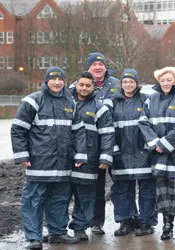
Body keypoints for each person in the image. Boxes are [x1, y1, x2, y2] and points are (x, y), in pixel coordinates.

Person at [11, 67, 87, 249]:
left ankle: (58, 232)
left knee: (60, 199)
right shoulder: (33, 101)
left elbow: (78, 132)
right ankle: (34, 238)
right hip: (39, 162)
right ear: (46, 81)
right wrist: (22, 155)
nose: (57, 82)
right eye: (53, 79)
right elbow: (18, 130)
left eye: (60, 79)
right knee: (33, 200)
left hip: (63, 163)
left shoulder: (70, 102)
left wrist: (80, 154)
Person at [138, 66, 175, 241]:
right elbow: (143, 122)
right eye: (162, 80)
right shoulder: (151, 99)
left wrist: (165, 143)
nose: (165, 83)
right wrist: (155, 143)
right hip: (159, 154)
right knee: (163, 191)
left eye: (169, 79)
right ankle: (166, 225)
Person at [70, 52, 120, 235]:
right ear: (88, 68)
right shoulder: (73, 87)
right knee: (75, 187)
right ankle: (67, 224)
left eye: (101, 63)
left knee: (102, 187)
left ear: (106, 67)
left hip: (110, 142)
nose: (98, 67)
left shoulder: (117, 85)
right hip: (81, 147)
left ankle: (97, 221)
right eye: (94, 64)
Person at [107, 69, 157, 237]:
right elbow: (107, 128)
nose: (128, 84)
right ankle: (126, 221)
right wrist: (113, 148)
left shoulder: (146, 100)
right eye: (125, 82)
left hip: (143, 153)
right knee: (122, 189)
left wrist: (149, 146)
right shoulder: (113, 102)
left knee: (147, 189)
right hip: (121, 153)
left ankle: (146, 222)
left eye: (131, 81)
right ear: (121, 84)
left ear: (137, 83)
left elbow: (152, 125)